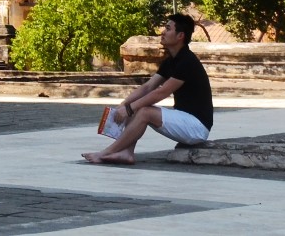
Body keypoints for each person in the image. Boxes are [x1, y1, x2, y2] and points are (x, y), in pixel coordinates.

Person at [82, 13, 213, 164]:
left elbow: (161, 92)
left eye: (168, 29)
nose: (162, 32)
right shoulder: (170, 62)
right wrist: (124, 105)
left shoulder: (187, 61)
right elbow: (148, 87)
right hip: (183, 119)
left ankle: (106, 152)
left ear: (180, 36)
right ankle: (126, 153)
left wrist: (130, 109)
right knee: (138, 106)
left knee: (144, 111)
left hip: (197, 127)